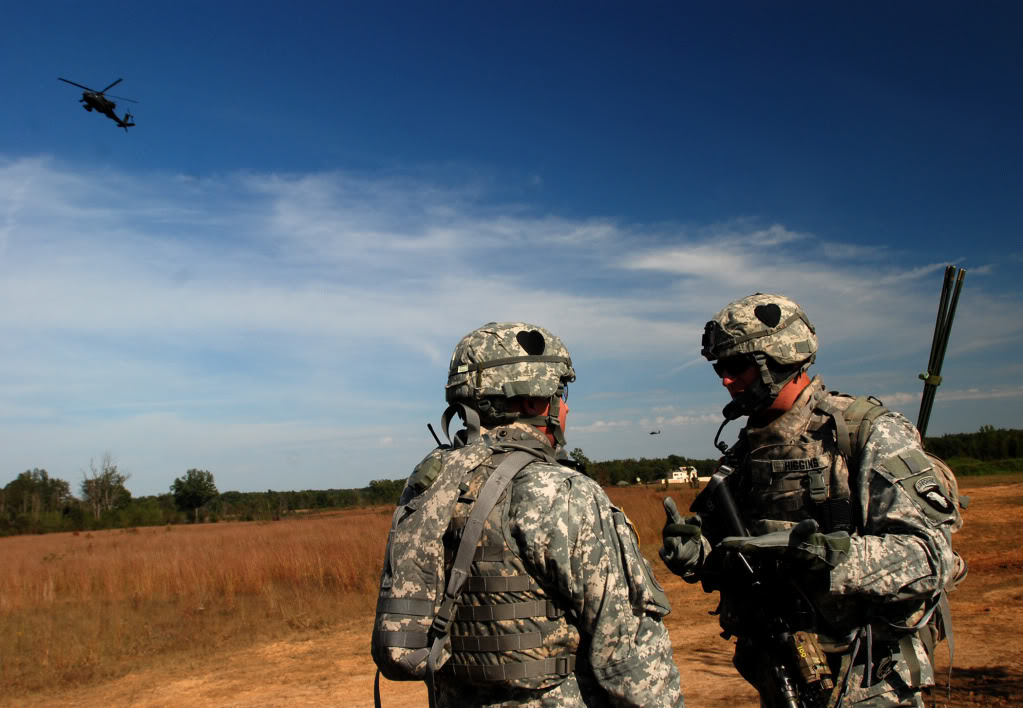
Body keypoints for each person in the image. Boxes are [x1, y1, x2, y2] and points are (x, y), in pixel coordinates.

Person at [659, 294, 959, 707]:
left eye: (737, 366)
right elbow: (739, 551)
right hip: (784, 671)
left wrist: (829, 557)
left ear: (780, 358)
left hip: (869, 675)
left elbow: (930, 557)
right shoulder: (745, 453)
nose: (726, 381)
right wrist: (699, 552)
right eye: (719, 369)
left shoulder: (865, 432)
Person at [379, 322, 683, 707]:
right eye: (560, 393)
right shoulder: (559, 491)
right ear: (532, 402)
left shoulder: (432, 484)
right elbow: (629, 654)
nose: (566, 406)